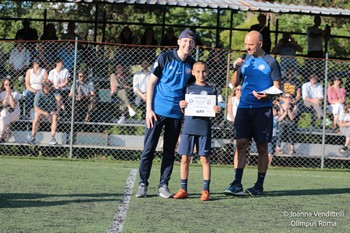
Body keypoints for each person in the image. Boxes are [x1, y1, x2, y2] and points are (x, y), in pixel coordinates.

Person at [135, 29, 196, 198]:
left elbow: (192, 90)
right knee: (149, 149)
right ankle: (143, 184)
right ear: (179, 41)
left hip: (176, 114)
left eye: (191, 42)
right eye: (185, 41)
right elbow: (151, 84)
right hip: (156, 112)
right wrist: (148, 110)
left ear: (194, 45)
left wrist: (186, 101)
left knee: (169, 151)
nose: (187, 44)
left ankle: (163, 185)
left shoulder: (192, 64)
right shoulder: (165, 57)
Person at [224, 30, 282, 196]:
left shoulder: (271, 62)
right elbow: (234, 84)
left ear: (260, 44)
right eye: (246, 44)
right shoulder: (245, 60)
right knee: (241, 144)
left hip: (262, 110)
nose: (247, 47)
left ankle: (259, 185)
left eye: (250, 44)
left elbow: (278, 88)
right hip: (244, 107)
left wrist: (267, 95)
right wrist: (236, 68)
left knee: (262, 147)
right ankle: (236, 183)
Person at [172, 61, 221, 201]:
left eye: (204, 71)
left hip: (204, 128)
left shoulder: (212, 90)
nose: (201, 74)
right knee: (185, 158)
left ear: (208, 72)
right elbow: (183, 106)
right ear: (193, 72)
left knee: (205, 159)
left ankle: (206, 190)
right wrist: (181, 105)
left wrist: (217, 111)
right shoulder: (188, 88)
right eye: (198, 71)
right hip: (188, 126)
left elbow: (215, 111)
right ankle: (183, 188)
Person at [27, 80, 60, 145]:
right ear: (45, 87)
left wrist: (59, 101)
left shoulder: (53, 91)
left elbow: (59, 98)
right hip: (42, 113)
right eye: (50, 86)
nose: (52, 87)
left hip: (51, 112)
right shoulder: (39, 93)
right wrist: (45, 113)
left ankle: (52, 138)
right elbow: (36, 109)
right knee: (37, 116)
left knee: (55, 116)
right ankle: (33, 137)